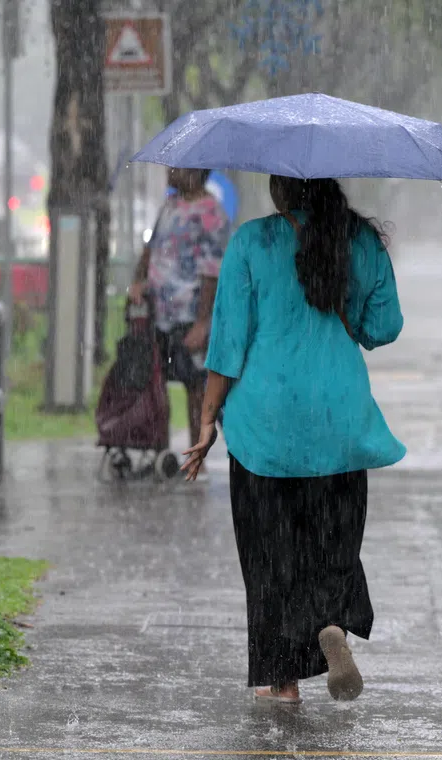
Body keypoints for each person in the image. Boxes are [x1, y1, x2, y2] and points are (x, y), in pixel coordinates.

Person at [180, 175, 405, 704]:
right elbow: (385, 326)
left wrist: (208, 419)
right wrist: (342, 311)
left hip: (266, 426)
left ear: (279, 189)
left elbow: (228, 344)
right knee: (331, 543)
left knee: (270, 556)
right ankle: (331, 625)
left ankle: (282, 682)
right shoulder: (361, 241)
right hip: (339, 421)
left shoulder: (253, 241)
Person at [129, 168, 230, 479]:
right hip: (159, 313)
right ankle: (160, 451)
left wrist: (202, 323)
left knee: (195, 386)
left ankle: (194, 454)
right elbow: (151, 247)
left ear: (196, 172)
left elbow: (212, 271)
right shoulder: (170, 205)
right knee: (155, 381)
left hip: (189, 314)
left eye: (178, 167)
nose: (170, 172)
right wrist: (138, 280)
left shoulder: (210, 212)